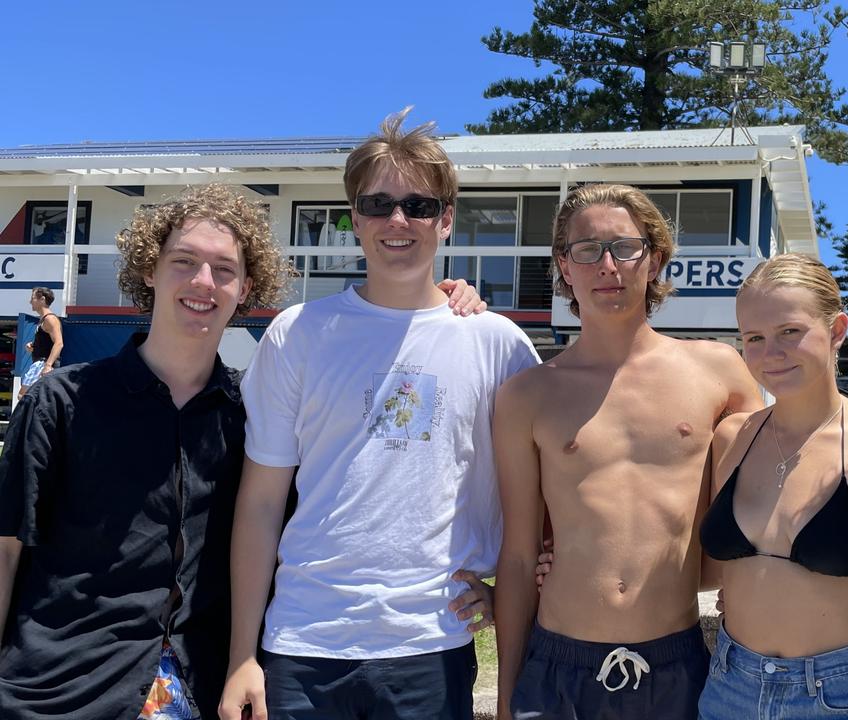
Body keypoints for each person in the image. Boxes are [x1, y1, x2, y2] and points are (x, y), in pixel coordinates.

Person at [493, 185, 848, 720]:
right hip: (559, 662)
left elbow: (797, 448)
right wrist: (506, 697)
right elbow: (519, 555)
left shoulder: (716, 370)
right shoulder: (527, 395)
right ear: (563, 266)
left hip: (677, 661)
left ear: (656, 259)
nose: (607, 266)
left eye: (625, 247)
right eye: (586, 249)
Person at [219, 109, 538, 720]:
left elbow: (543, 494)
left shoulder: (497, 345)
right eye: (378, 203)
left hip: (431, 645)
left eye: (419, 205)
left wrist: (508, 592)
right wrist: (242, 655)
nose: (398, 220)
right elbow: (260, 504)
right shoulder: (297, 334)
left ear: (446, 220)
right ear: (354, 218)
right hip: (301, 645)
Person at [0, 184, 294, 720]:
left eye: (224, 269)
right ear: (149, 271)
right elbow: (6, 549)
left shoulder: (256, 415)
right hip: (62, 689)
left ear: (246, 286)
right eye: (183, 262)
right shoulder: (60, 403)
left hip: (206, 687)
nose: (203, 282)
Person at [698, 253, 848, 720]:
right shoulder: (731, 439)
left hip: (847, 695)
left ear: (837, 330)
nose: (770, 353)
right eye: (754, 338)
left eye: (790, 332)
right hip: (730, 685)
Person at [17, 286, 63, 398]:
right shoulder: (42, 320)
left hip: (43, 364)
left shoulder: (50, 319)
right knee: (30, 398)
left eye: (32, 298)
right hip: (39, 363)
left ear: (42, 299)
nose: (30, 301)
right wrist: (33, 346)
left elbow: (59, 343)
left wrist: (47, 366)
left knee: (24, 396)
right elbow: (47, 343)